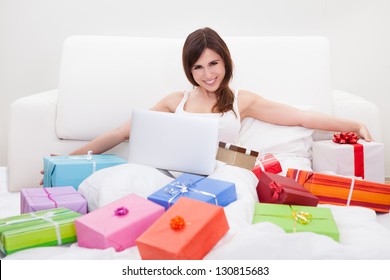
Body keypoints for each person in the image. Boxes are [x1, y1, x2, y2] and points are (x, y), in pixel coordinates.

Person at [40, 27, 372, 184]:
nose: (207, 74)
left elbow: (302, 117)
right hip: (173, 174)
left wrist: (353, 125)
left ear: (225, 62)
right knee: (122, 186)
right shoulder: (176, 101)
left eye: (213, 64)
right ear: (189, 70)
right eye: (198, 67)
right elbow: (119, 132)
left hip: (226, 173)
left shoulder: (242, 101)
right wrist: (65, 161)